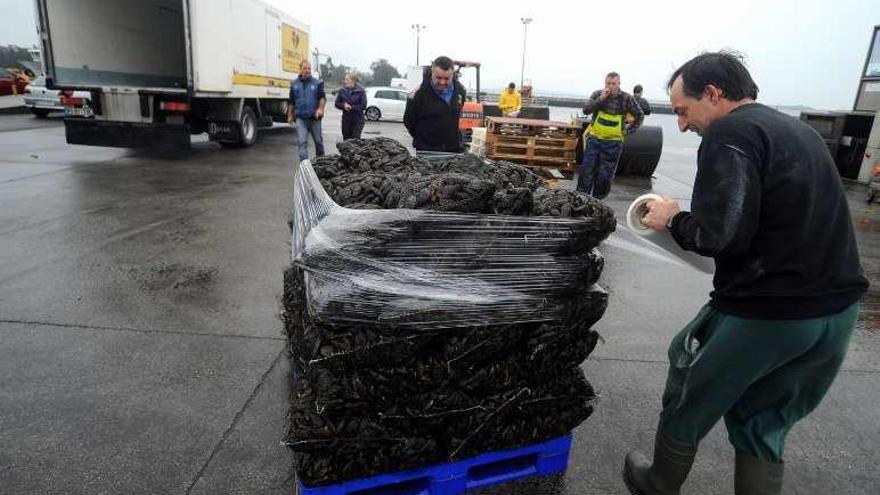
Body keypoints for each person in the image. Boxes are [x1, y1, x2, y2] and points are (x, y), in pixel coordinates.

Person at [624, 51, 869, 495]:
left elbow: (721, 236)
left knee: (688, 394)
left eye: (682, 111)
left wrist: (672, 219)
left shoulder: (730, 133)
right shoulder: (799, 131)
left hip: (770, 314)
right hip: (836, 315)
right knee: (763, 420)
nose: (680, 124)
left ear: (713, 94)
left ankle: (657, 482)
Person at [578, 72, 644, 199]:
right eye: (608, 83)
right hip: (594, 140)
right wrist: (601, 99)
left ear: (619, 84)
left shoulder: (627, 98)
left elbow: (640, 115)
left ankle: (598, 201)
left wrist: (628, 131)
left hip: (613, 144)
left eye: (613, 84)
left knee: (604, 175)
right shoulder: (597, 94)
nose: (610, 86)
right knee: (586, 171)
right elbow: (586, 110)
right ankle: (581, 199)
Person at [403, 56, 467, 152]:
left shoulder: (460, 91)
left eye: (446, 78)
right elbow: (409, 121)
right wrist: (424, 139)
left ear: (452, 75)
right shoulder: (418, 93)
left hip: (453, 149)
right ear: (432, 72)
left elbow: (456, 116)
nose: (442, 82)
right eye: (439, 78)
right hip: (427, 150)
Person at [287, 60, 326, 162]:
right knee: (302, 142)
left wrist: (320, 109)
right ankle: (305, 167)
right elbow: (291, 101)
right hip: (301, 118)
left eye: (309, 68)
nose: (307, 70)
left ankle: (322, 163)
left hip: (315, 118)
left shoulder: (317, 83)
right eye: (305, 68)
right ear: (300, 69)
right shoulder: (294, 84)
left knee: (318, 142)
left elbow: (322, 98)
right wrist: (290, 115)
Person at [334, 72, 367, 140]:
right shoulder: (342, 90)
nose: (345, 81)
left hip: (358, 120)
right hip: (346, 120)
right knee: (346, 140)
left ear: (353, 81)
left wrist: (351, 107)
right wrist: (343, 105)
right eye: (345, 79)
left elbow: (363, 106)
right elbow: (337, 104)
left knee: (355, 140)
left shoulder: (361, 91)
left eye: (347, 80)